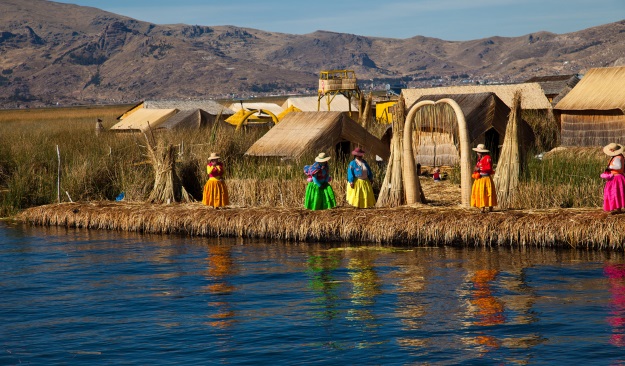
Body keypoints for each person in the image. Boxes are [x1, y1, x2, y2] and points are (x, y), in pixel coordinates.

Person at [470, 144, 497, 213]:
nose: (477, 153)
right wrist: (475, 169)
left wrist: (479, 168)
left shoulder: (487, 158)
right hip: (480, 178)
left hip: (486, 178)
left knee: (488, 192)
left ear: (482, 152)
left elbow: (489, 168)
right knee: (480, 192)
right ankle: (482, 208)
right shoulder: (480, 159)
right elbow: (477, 167)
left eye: (478, 152)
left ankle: (490, 207)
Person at [602, 143, 625, 214]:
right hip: (619, 177)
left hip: (616, 178)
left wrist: (610, 167)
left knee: (615, 193)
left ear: (612, 150)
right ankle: (618, 210)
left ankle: (618, 210)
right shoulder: (620, 156)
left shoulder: (617, 158)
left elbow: (618, 166)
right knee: (618, 193)